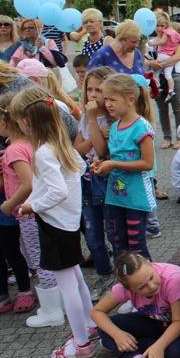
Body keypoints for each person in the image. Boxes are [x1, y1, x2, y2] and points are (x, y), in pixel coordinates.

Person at [9, 87, 94, 358]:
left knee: (67, 284)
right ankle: (90, 325)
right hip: (66, 223)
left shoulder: (44, 152)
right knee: (76, 279)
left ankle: (81, 342)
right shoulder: (60, 145)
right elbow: (74, 172)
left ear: (25, 122)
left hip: (55, 226)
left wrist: (33, 205)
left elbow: (57, 190)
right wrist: (36, 199)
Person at [0, 91, 65, 326]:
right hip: (36, 213)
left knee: (39, 261)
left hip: (28, 214)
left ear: (5, 122)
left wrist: (9, 204)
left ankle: (52, 310)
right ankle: (56, 303)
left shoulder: (15, 150)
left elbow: (27, 184)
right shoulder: (27, 143)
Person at [91, 253, 180, 358]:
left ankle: (120, 346)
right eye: (142, 287)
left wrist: (158, 346)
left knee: (173, 354)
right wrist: (117, 334)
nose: (151, 286)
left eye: (151, 277)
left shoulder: (172, 278)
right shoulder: (124, 289)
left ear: (149, 263)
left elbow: (179, 322)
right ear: (129, 289)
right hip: (154, 321)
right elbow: (97, 312)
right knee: (105, 327)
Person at [90, 73, 156, 260]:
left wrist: (113, 164)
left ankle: (149, 284)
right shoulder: (115, 126)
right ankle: (125, 284)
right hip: (115, 196)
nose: (108, 104)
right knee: (119, 244)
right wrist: (102, 164)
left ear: (130, 99)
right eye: (106, 99)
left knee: (137, 247)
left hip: (136, 197)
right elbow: (114, 157)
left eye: (112, 99)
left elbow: (147, 163)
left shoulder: (141, 127)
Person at [0, 94, 33, 316]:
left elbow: (5, 183)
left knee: (13, 252)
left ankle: (26, 290)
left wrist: (8, 204)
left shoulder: (9, 148)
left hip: (7, 212)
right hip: (6, 211)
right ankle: (0, 296)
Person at [75, 67, 114, 295]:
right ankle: (104, 273)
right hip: (87, 183)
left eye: (98, 90)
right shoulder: (85, 118)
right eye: (89, 89)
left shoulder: (112, 119)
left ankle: (120, 276)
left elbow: (102, 149)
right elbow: (78, 149)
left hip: (107, 183)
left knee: (113, 231)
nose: (93, 95)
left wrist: (93, 123)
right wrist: (93, 130)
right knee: (92, 235)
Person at [148, 11, 180, 85]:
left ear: (167, 26)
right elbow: (147, 61)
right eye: (157, 26)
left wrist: (160, 65)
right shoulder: (150, 42)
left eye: (162, 26)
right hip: (159, 77)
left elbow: (177, 57)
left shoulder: (173, 40)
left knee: (176, 87)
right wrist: (151, 63)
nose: (159, 29)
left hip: (174, 73)